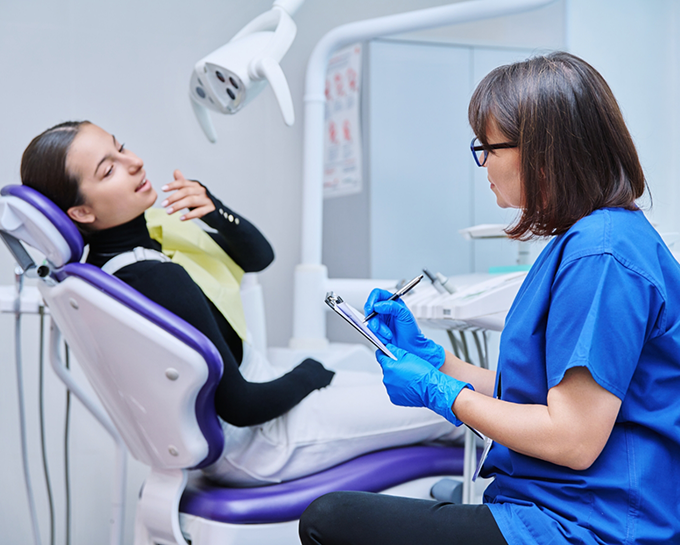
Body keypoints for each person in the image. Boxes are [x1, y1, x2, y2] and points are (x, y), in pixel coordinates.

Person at [299, 51, 680, 544]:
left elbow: (573, 438)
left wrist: (443, 394)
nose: (483, 163)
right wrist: (437, 362)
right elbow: (542, 398)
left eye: (488, 147)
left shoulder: (601, 256)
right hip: (560, 504)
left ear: (545, 153)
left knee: (330, 520)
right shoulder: (592, 239)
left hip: (592, 526)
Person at [20, 120, 463, 486]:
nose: (134, 162)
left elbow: (257, 257)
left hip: (248, 421)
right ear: (80, 212)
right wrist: (311, 371)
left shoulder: (126, 257)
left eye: (122, 149)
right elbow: (241, 406)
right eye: (108, 170)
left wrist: (214, 208)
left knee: (410, 378)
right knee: (454, 408)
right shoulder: (154, 277)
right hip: (262, 440)